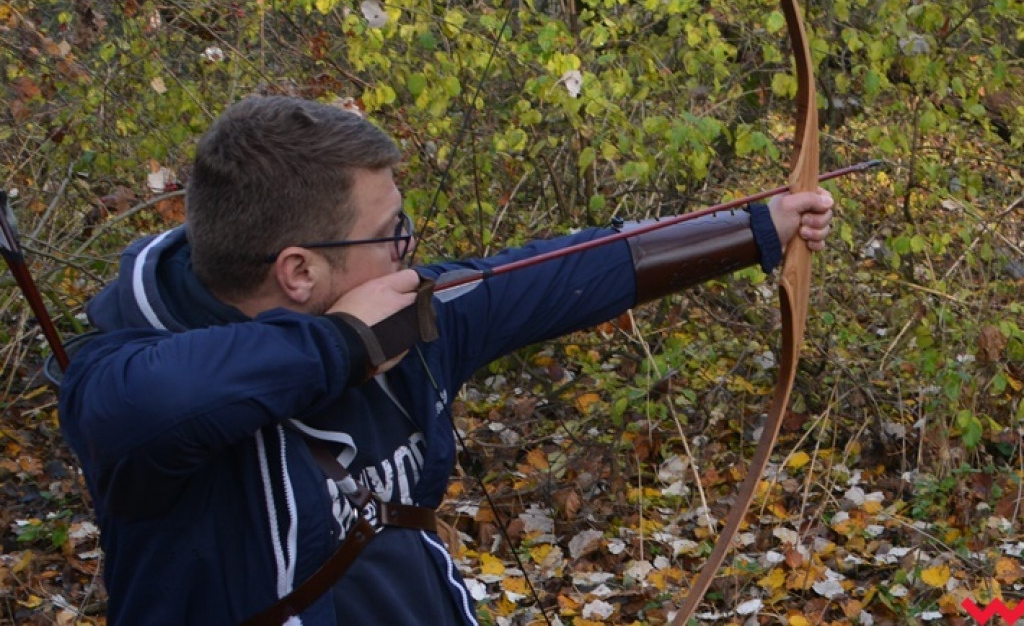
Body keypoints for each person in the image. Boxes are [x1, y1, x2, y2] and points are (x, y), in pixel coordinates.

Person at [59, 95, 834, 625]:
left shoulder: (403, 314)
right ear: (299, 271)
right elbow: (150, 407)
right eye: (391, 233)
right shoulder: (123, 382)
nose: (409, 250)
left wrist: (757, 228)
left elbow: (560, 274)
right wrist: (338, 347)